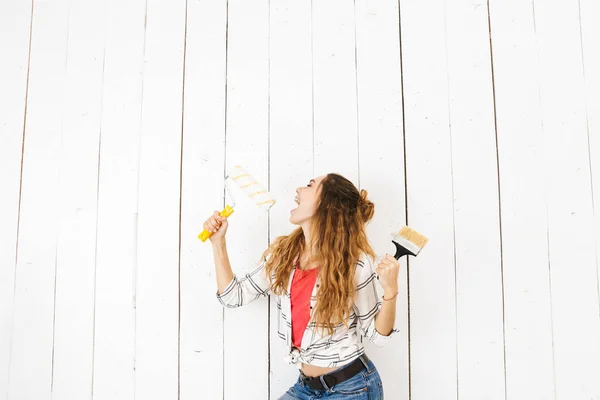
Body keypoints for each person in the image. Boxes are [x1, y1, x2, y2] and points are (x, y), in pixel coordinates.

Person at [204, 173, 400, 399]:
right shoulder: (283, 256)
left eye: (310, 185)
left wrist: (390, 291)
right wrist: (218, 243)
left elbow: (378, 336)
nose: (298, 189)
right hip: (306, 388)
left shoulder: (355, 264)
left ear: (328, 205)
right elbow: (232, 296)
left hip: (353, 388)